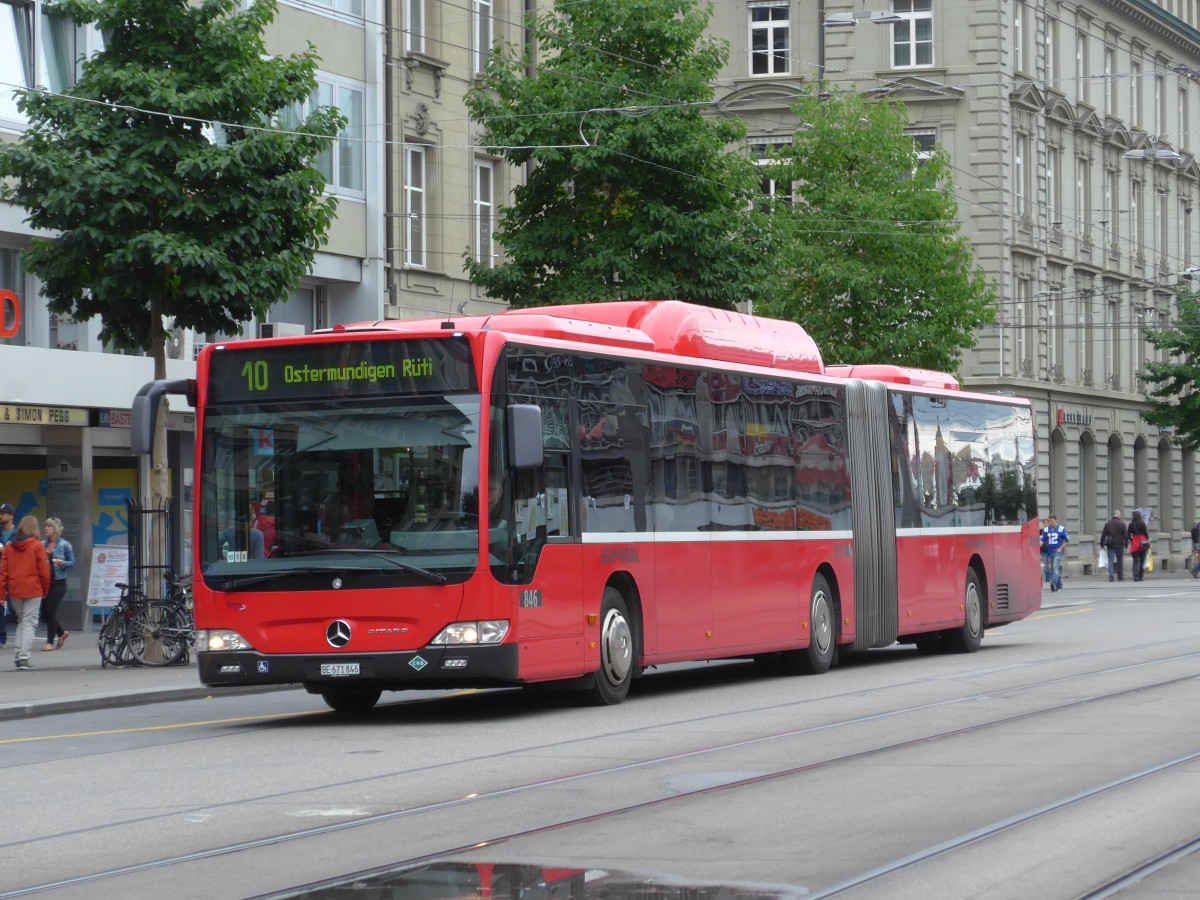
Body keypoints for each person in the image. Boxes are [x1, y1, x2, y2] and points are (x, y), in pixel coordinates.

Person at [0, 515, 51, 670]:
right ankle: (24, 657)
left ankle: (18, 654)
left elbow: (3, 572)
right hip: (33, 588)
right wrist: (45, 589)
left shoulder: (9, 546)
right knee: (30, 623)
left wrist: (2, 594)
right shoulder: (36, 546)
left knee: (22, 620)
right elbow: (44, 571)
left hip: (15, 589)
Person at [40, 517, 75, 651]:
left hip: (59, 583)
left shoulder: (65, 545)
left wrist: (63, 563)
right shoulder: (42, 544)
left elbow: (72, 562)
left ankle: (49, 642)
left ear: (55, 530)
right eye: (46, 526)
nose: (46, 529)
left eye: (49, 527)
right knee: (44, 613)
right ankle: (61, 633)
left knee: (51, 610)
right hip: (45, 583)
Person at [1043, 514, 1069, 592]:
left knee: (1055, 566)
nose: (1050, 523)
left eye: (1052, 521)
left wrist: (1060, 548)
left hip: (1058, 551)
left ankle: (1053, 583)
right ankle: (1059, 585)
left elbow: (1067, 541)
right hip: (1050, 552)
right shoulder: (1046, 530)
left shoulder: (1061, 529)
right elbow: (1042, 540)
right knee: (1052, 569)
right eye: (1049, 521)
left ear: (1056, 520)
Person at [1100, 510, 1127, 583]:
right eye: (1120, 515)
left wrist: (1101, 544)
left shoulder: (1108, 523)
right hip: (1119, 544)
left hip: (1110, 544)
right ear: (1118, 515)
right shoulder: (1122, 523)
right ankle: (1120, 576)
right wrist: (1126, 545)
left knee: (1110, 560)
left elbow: (1103, 534)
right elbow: (1125, 535)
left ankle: (1111, 576)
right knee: (1119, 560)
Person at [0, 501, 14, 646]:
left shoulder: (17, 534)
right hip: (0, 573)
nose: (0, 516)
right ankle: (1, 637)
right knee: (0, 605)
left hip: (13, 574)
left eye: (3, 514)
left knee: (13, 607)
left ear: (10, 517)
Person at [1128, 509, 1151, 582]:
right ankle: (1141, 577)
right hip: (1143, 542)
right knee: (1142, 561)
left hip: (1135, 542)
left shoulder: (1131, 525)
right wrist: (1147, 541)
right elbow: (1146, 534)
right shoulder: (1143, 524)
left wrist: (1132, 540)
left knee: (1135, 561)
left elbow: (1128, 535)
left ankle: (1135, 577)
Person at [1039, 518, 1053, 585]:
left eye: (1047, 523)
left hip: (1051, 550)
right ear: (1043, 524)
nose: (1046, 524)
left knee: (1052, 563)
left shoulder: (1052, 530)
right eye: (1045, 523)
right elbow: (1036, 540)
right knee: (1046, 564)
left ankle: (1052, 576)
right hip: (1043, 550)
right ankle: (1048, 577)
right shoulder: (1040, 531)